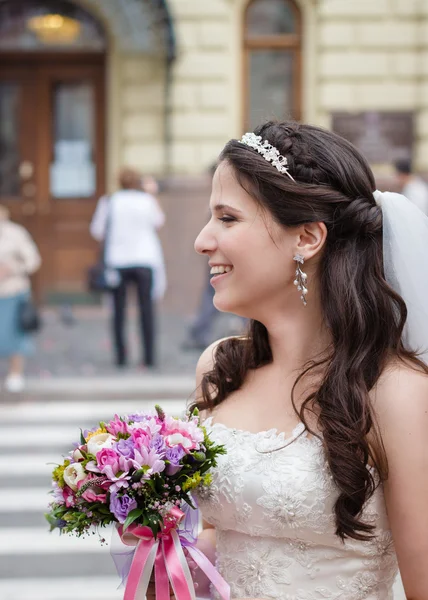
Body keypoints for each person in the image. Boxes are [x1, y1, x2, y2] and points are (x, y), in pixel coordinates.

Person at [183, 122, 427, 599]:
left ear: (308, 238)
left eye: (227, 218)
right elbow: (220, 538)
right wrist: (165, 550)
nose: (202, 241)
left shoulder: (395, 390)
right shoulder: (220, 368)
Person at [90, 168, 166, 368]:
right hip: (144, 259)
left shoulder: (109, 202)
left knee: (118, 311)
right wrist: (152, 195)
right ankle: (149, 357)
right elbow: (159, 221)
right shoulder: (146, 201)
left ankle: (121, 357)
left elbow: (97, 230)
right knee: (146, 310)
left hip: (118, 261)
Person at [0, 205, 41, 392]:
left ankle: (15, 373)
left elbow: (32, 260)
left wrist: (11, 268)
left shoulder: (15, 233)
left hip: (12, 289)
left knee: (14, 333)